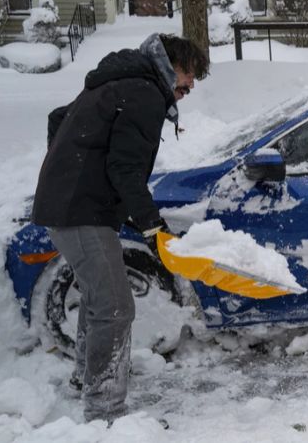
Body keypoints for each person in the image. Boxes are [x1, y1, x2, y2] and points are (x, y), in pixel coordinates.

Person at [31, 33, 209, 423]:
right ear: (170, 65)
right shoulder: (144, 92)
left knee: (99, 300)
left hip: (71, 207)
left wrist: (68, 174)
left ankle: (86, 380)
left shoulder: (118, 81)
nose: (190, 85)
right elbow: (125, 169)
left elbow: (59, 118)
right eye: (190, 74)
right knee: (115, 307)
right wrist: (152, 226)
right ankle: (105, 413)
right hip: (80, 214)